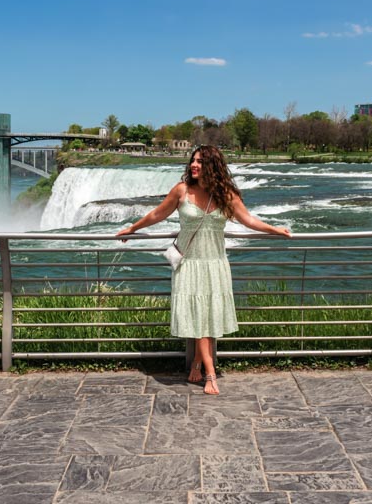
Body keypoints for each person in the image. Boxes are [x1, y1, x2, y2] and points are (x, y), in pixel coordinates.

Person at [116, 145, 291, 395]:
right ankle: (210, 374)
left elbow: (248, 220)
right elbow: (157, 214)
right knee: (198, 317)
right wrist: (132, 229)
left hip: (215, 264)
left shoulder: (226, 194)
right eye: (192, 161)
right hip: (189, 264)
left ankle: (197, 362)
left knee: (207, 317)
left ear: (213, 166)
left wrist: (275, 230)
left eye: (200, 162)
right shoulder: (182, 191)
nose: (193, 165)